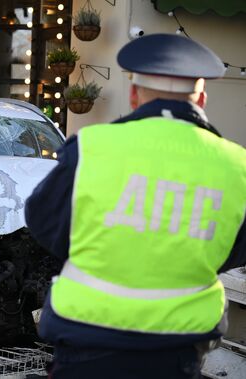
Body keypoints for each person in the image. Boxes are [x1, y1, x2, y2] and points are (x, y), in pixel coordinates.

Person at [25, 34, 246, 379]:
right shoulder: (238, 165)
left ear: (133, 94)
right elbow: (237, 250)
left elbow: (43, 220)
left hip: (87, 340)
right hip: (179, 348)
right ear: (201, 97)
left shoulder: (92, 147)